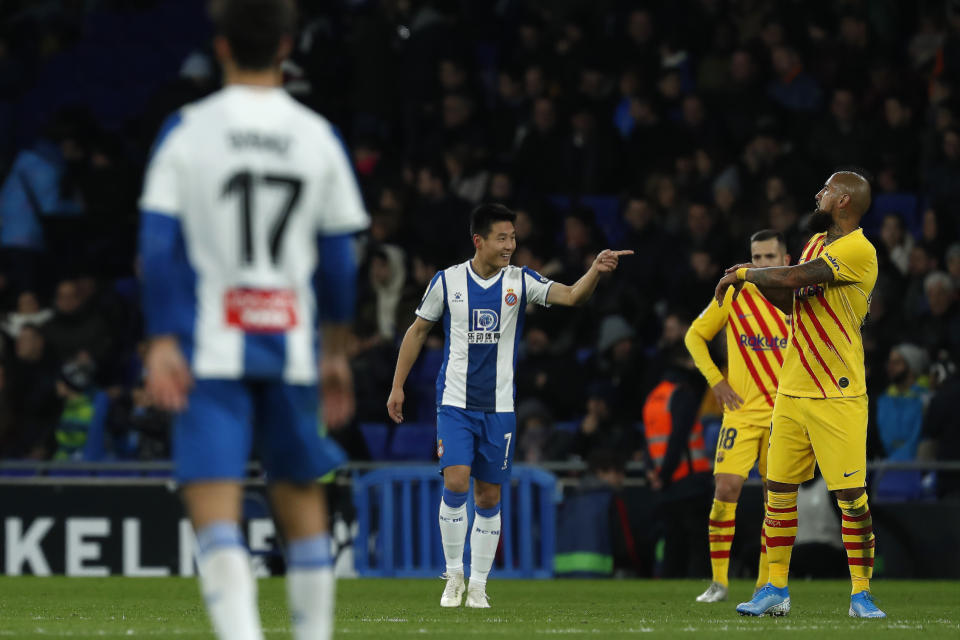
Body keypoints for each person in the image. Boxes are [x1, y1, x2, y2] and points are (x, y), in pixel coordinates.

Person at [138, 1, 367, 639]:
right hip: (291, 349)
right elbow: (340, 261)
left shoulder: (186, 130)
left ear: (220, 47)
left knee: (215, 513)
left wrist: (160, 338)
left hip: (212, 352)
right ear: (288, 46)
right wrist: (335, 349)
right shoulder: (317, 136)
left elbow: (155, 249)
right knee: (300, 504)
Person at [386, 203, 630, 608]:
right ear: (478, 240)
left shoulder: (520, 281)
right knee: (456, 480)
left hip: (499, 408)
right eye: (502, 238)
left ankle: (479, 584)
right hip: (455, 404)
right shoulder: (447, 282)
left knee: (488, 497)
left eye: (513, 237)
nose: (510, 245)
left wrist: (595, 271)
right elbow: (416, 332)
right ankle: (454, 575)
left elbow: (571, 296)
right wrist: (398, 386)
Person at [716, 171, 886, 618]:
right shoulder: (814, 242)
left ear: (844, 200)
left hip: (839, 393)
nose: (818, 194)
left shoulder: (858, 248)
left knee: (852, 498)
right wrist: (752, 283)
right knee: (778, 491)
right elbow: (796, 302)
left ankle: (861, 593)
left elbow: (794, 278)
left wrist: (745, 272)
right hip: (792, 390)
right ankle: (775, 588)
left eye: (826, 189)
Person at [684, 229, 791, 603]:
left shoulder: (797, 299)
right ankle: (719, 582)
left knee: (774, 501)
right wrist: (716, 381)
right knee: (725, 489)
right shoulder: (735, 293)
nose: (761, 264)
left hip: (784, 418)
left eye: (769, 257)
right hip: (741, 414)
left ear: (786, 261)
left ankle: (767, 584)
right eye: (756, 257)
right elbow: (694, 336)